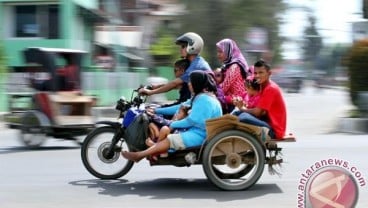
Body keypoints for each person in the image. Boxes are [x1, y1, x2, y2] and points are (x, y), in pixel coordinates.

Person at [121, 70, 223, 162]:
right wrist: (156, 110)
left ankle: (141, 155)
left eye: (191, 82)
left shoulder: (204, 100)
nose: (189, 84)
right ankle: (156, 150)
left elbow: (191, 121)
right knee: (165, 129)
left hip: (201, 135)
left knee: (170, 138)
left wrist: (173, 124)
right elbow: (179, 107)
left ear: (197, 83)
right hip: (197, 130)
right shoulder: (199, 97)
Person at [139, 32, 212, 103]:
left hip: (203, 103)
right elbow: (179, 85)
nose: (180, 49)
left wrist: (151, 92)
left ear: (193, 46)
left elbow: (175, 83)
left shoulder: (196, 65)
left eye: (183, 46)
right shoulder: (192, 63)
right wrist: (155, 87)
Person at [234, 60, 287, 139]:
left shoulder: (270, 88)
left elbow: (258, 112)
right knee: (237, 113)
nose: (257, 76)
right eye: (255, 73)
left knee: (243, 116)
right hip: (267, 122)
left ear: (269, 73)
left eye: (261, 73)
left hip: (274, 130)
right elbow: (261, 111)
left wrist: (242, 108)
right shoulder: (263, 86)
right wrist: (243, 106)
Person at [216, 38, 251, 113]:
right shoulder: (227, 66)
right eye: (217, 52)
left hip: (236, 103)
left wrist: (210, 90)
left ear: (228, 51)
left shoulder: (234, 67)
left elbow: (223, 88)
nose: (218, 54)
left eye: (220, 52)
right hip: (230, 100)